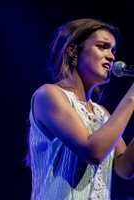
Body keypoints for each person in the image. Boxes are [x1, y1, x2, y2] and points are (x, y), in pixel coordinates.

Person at [26, 18, 134, 200]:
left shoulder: (102, 114)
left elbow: (125, 169)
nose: (112, 56)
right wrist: (132, 97)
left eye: (113, 50)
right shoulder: (48, 95)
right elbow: (93, 151)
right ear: (73, 50)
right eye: (102, 46)